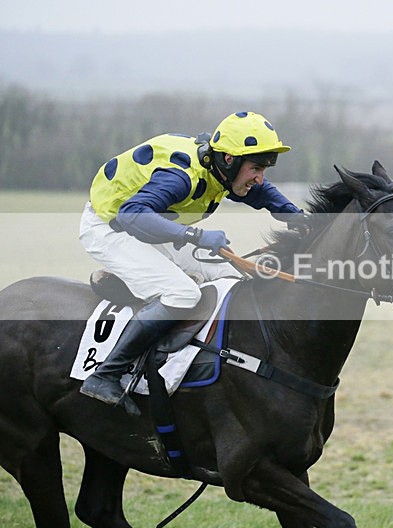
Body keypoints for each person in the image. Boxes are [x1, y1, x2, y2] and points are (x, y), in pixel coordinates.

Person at [79, 111, 310, 414]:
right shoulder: (181, 177)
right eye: (256, 167)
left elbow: (258, 191)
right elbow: (131, 216)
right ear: (229, 159)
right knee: (183, 294)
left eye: (263, 168)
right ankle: (106, 374)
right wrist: (195, 235)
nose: (259, 177)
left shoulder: (220, 168)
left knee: (234, 279)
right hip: (111, 226)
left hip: (155, 227)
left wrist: (296, 216)